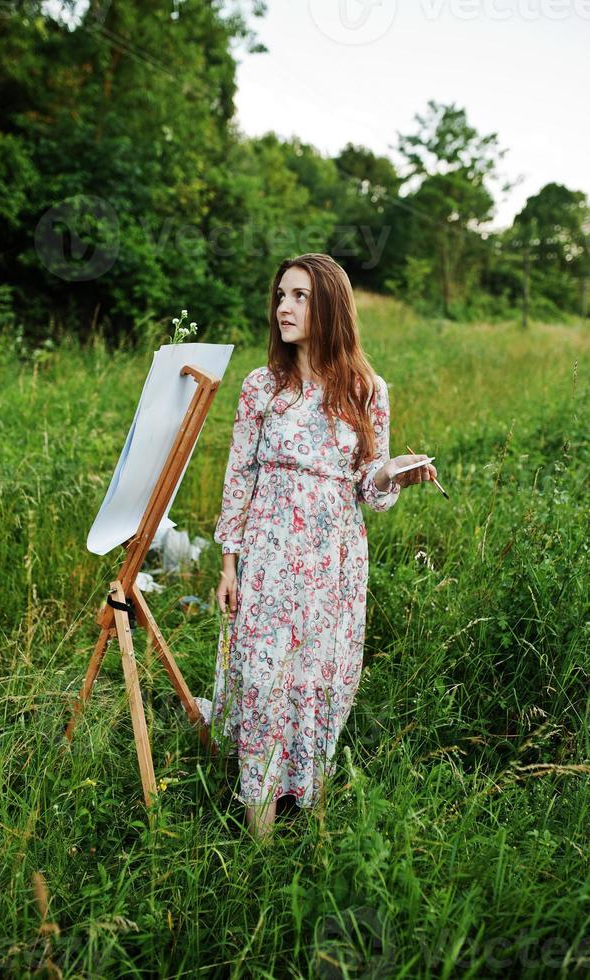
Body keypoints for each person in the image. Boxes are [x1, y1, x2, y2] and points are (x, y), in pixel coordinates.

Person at [194, 253, 437, 840]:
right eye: (281, 294)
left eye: (300, 296)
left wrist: (393, 474)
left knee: (317, 681)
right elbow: (239, 477)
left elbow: (368, 488)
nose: (284, 306)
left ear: (330, 305)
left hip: (334, 566)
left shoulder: (365, 389)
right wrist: (228, 561)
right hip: (269, 558)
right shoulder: (261, 387)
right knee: (260, 676)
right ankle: (259, 836)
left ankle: (310, 811)